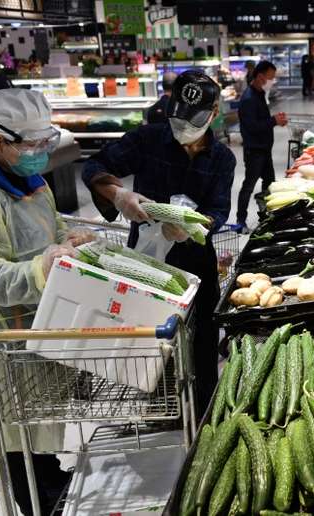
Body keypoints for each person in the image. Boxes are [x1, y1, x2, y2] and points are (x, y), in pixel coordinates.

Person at [0, 89, 93, 515]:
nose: (41, 152)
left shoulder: (31, 180)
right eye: (31, 144)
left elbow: (51, 229)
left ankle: (52, 484)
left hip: (41, 328)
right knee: (19, 446)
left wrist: (67, 241)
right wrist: (39, 270)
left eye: (47, 141)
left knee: (40, 436)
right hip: (7, 339)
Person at [82, 71, 235, 411]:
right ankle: (159, 406)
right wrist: (118, 194)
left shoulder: (223, 158)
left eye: (193, 120)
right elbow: (94, 165)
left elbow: (219, 208)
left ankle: (204, 407)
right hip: (146, 262)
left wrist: (195, 227)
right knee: (152, 339)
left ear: (213, 113)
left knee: (203, 340)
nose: (183, 127)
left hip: (196, 264)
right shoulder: (146, 139)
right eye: (177, 117)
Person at [234, 61, 287, 233]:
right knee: (249, 185)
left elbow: (260, 120)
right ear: (260, 76)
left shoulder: (259, 94)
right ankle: (240, 220)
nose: (273, 81)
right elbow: (252, 127)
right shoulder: (249, 98)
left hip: (264, 149)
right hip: (254, 150)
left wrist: (274, 119)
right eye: (271, 77)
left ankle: (266, 217)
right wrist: (273, 121)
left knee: (269, 183)